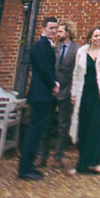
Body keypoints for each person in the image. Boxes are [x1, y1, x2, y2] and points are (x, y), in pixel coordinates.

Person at [69, 26, 100, 175]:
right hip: (85, 93)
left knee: (97, 126)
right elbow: (76, 74)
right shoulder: (82, 52)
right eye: (95, 36)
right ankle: (82, 162)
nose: (98, 39)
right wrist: (73, 94)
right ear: (89, 38)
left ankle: (96, 161)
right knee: (84, 126)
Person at [18, 16, 59, 181]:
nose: (54, 31)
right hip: (40, 93)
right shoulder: (40, 46)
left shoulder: (46, 45)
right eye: (51, 28)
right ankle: (25, 168)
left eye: (56, 28)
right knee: (34, 131)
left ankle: (28, 166)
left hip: (43, 93)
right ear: (43, 28)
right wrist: (53, 85)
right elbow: (43, 70)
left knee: (37, 130)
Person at [37, 20, 78, 168]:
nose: (57, 34)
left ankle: (58, 157)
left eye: (60, 31)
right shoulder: (54, 48)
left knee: (62, 125)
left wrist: (73, 92)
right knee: (46, 124)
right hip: (52, 90)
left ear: (68, 33)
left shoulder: (76, 50)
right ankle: (42, 156)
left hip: (67, 91)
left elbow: (77, 73)